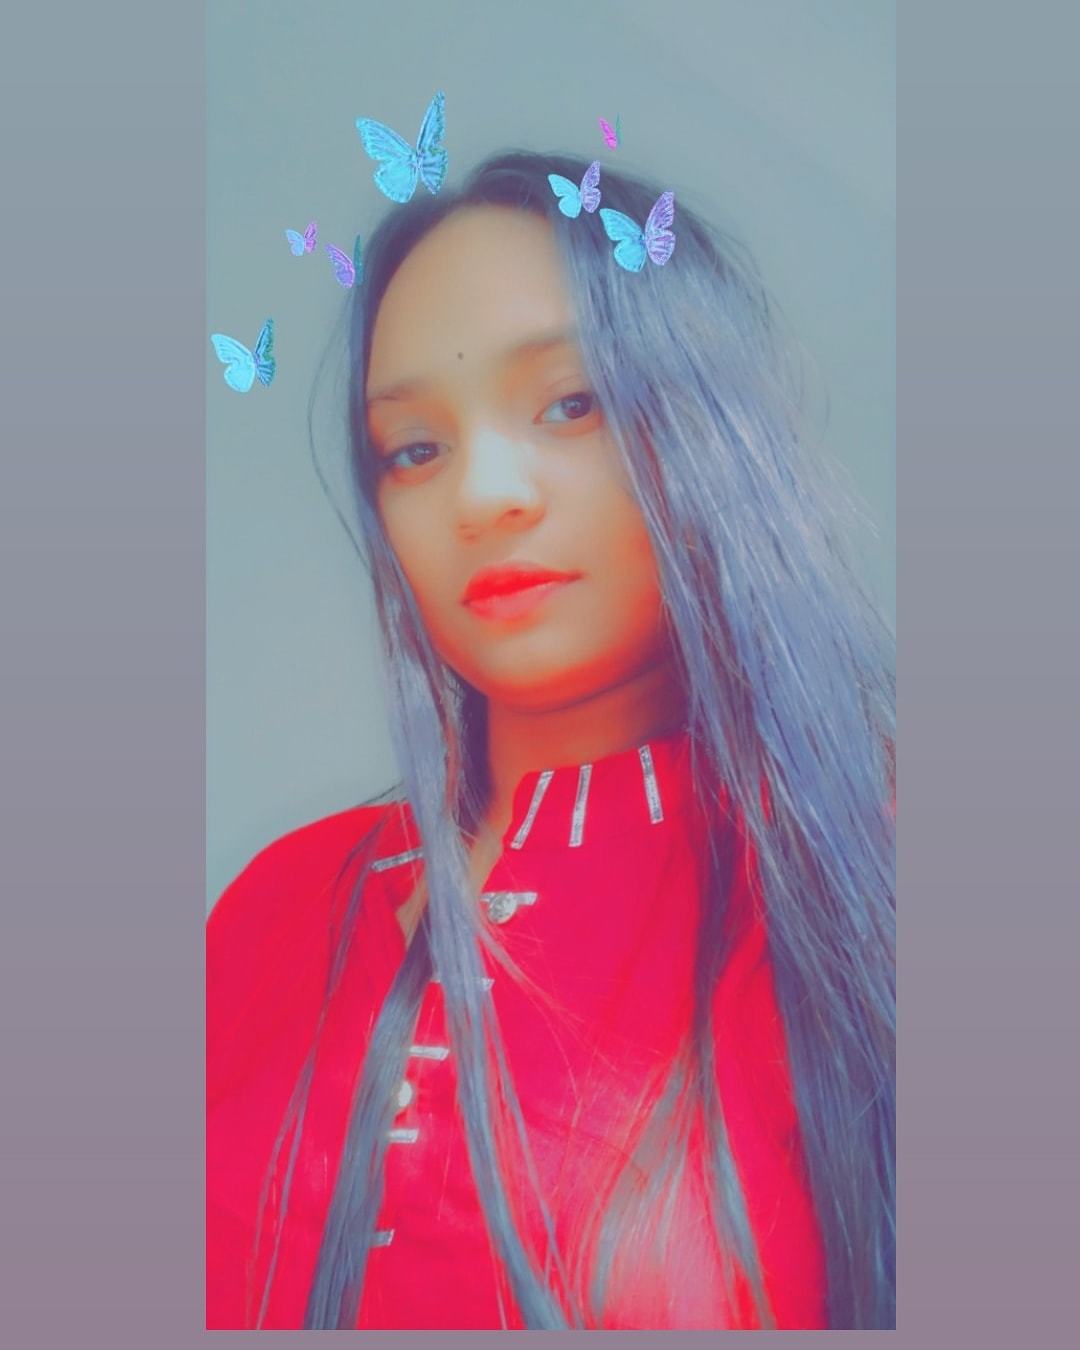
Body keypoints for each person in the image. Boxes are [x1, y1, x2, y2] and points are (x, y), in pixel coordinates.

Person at [206, 150, 896, 1331]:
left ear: (713, 432)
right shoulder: (273, 911)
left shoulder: (868, 900)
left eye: (571, 402)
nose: (483, 496)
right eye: (412, 448)